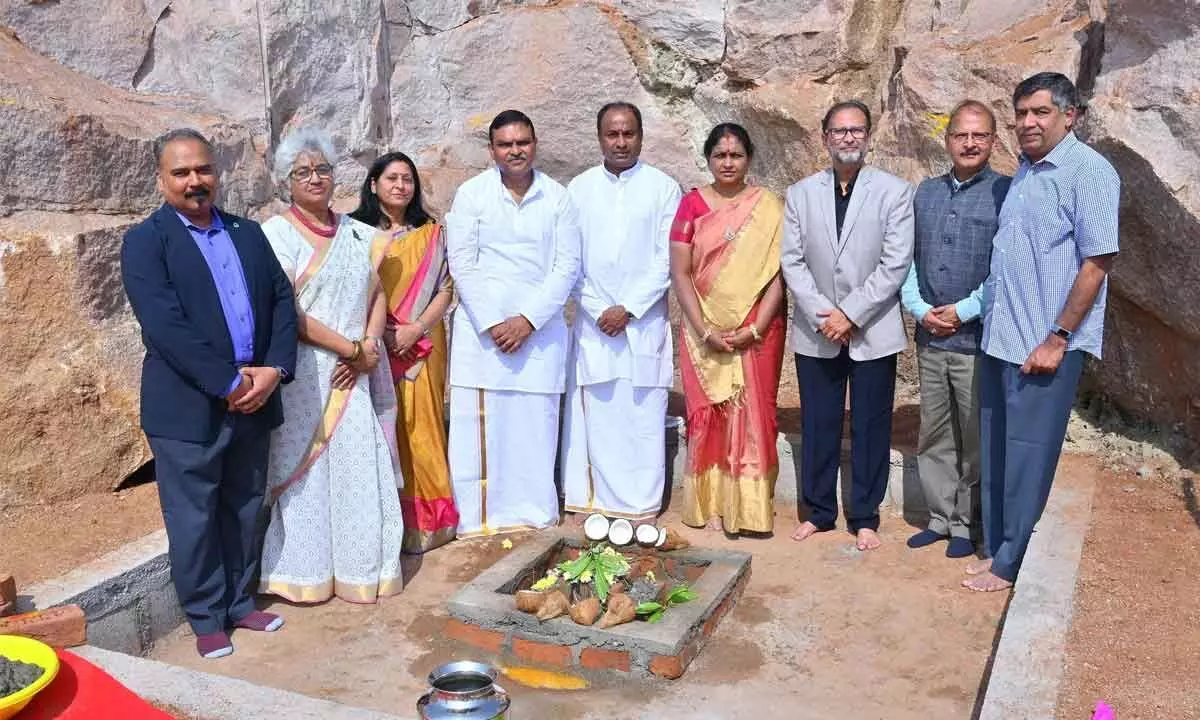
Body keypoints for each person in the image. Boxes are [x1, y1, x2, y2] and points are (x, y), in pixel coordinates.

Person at [120, 128, 297, 659]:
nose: (194, 181)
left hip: (256, 394)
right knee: (193, 514)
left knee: (244, 506)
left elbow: (282, 302)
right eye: (181, 172)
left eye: (202, 170)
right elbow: (164, 325)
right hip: (189, 406)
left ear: (215, 172)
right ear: (161, 179)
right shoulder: (146, 241)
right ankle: (206, 615)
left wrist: (275, 371)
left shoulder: (246, 233)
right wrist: (226, 382)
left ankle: (241, 603)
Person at [965, 73, 1120, 592]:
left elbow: (1096, 263)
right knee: (999, 448)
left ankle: (1011, 562)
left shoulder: (1089, 172)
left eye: (1040, 112)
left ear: (1069, 115)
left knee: (1030, 452)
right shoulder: (1026, 172)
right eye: (1022, 113)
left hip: (1043, 346)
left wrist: (1057, 338)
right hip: (1001, 340)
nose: (1028, 122)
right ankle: (996, 548)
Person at [258, 127, 405, 603]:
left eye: (323, 169)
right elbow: (288, 312)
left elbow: (376, 293)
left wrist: (366, 347)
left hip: (355, 373)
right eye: (303, 172)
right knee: (306, 476)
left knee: (359, 471)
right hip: (306, 376)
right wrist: (350, 348)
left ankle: (362, 571)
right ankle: (304, 575)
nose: (316, 178)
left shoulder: (361, 234)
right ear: (286, 181)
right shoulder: (275, 236)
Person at [782, 100, 915, 551]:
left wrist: (851, 313)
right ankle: (818, 512)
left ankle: (864, 515)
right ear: (824, 137)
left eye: (856, 130)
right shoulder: (801, 193)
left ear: (869, 135)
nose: (848, 137)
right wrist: (826, 315)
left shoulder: (895, 191)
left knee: (870, 424)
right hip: (817, 330)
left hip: (872, 328)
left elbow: (895, 263)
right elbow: (793, 261)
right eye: (839, 130)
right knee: (819, 422)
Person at [444, 110, 582, 537]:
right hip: (484, 337)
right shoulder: (472, 195)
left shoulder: (558, 198)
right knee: (480, 430)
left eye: (522, 142)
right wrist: (493, 322)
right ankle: (479, 518)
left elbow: (567, 266)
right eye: (506, 144)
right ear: (492, 151)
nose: (515, 150)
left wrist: (526, 321)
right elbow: (462, 263)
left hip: (537, 336)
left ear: (535, 144)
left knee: (533, 427)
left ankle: (533, 512)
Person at [901, 100, 1012, 559]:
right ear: (947, 140)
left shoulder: (1006, 193)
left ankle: (968, 524)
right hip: (929, 337)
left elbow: (1004, 269)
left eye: (979, 136)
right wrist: (919, 308)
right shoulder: (924, 192)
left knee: (973, 437)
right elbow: (907, 259)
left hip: (973, 342)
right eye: (961, 135)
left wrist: (963, 310)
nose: (969, 143)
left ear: (992, 140)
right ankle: (939, 518)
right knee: (935, 432)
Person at [561, 102, 681, 523]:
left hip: (642, 323)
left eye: (628, 133)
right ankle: (597, 502)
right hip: (596, 326)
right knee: (600, 413)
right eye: (613, 134)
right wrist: (598, 309)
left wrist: (628, 309)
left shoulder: (664, 187)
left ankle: (641, 506)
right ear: (599, 138)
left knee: (643, 414)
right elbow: (569, 260)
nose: (621, 142)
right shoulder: (578, 189)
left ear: (641, 136)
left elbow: (668, 259)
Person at [670, 123, 786, 535]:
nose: (728, 162)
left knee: (755, 414)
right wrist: (703, 330)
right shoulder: (692, 206)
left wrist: (755, 327)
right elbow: (681, 273)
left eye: (736, 155)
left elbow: (777, 275)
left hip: (757, 331)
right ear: (708, 159)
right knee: (709, 415)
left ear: (749, 159)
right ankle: (712, 505)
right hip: (703, 329)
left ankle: (750, 509)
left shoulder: (768, 207)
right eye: (720, 155)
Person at [350, 152, 460, 554]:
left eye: (407, 179)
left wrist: (416, 328)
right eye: (392, 178)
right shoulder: (354, 233)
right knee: (379, 428)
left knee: (423, 424)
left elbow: (447, 288)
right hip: (373, 343)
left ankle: (428, 525)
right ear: (374, 183)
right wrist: (380, 334)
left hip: (424, 341)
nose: (400, 186)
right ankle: (384, 525)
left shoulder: (432, 232)